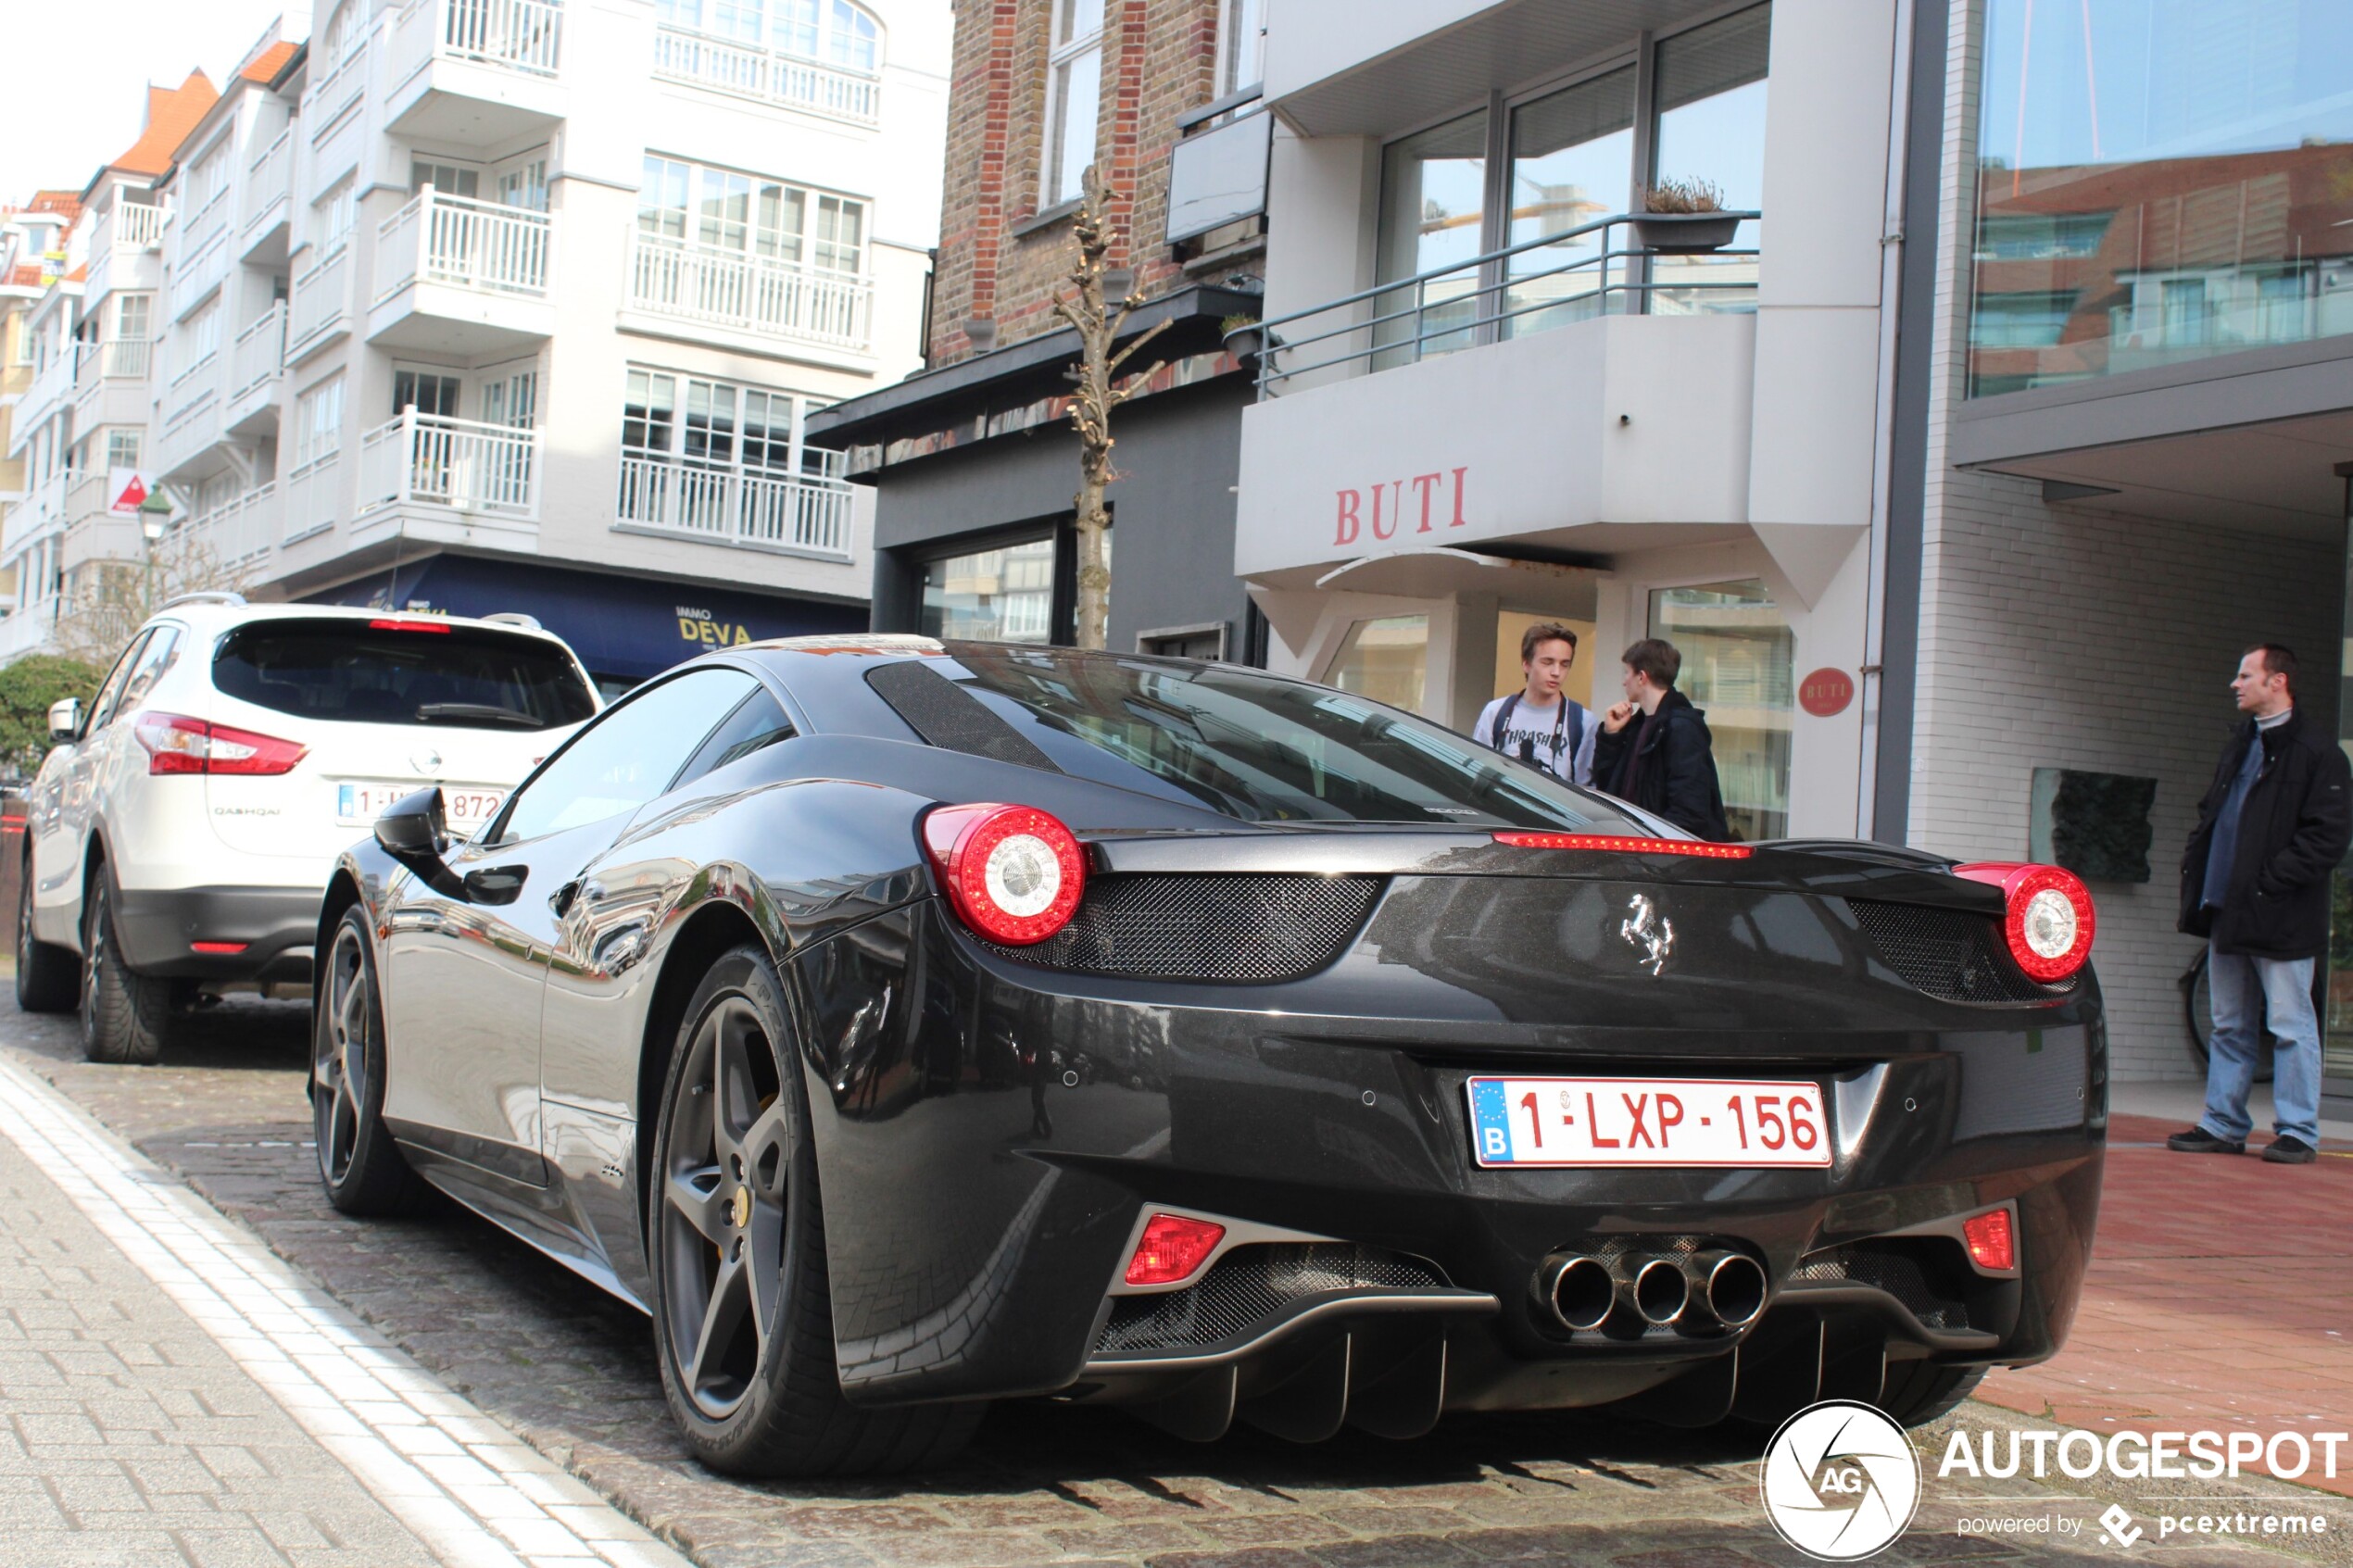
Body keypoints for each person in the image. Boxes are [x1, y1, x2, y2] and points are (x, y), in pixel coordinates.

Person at [2170, 643, 2349, 1165]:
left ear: (2278, 682)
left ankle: (2298, 1131)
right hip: (2229, 910)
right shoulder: (2240, 745)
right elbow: (2214, 815)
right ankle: (2222, 1124)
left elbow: (2327, 838)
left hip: (2282, 915)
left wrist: (2270, 882)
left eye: (2246, 674)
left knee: (2291, 1025)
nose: (2235, 683)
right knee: (2229, 1024)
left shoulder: (2319, 753)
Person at [1590, 638, 1733, 841]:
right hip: (1638, 851)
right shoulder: (1638, 725)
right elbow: (1608, 789)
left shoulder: (1682, 728)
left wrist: (1651, 845)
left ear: (1641, 677)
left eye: (1627, 673)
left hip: (1664, 858)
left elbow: (1689, 812)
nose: (1624, 681)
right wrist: (1611, 736)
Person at [1475, 622, 1597, 786]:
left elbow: (1585, 790)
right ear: (1526, 664)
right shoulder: (1495, 712)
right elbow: (1477, 773)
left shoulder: (1583, 721)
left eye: (1564, 664)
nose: (1556, 672)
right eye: (1547, 662)